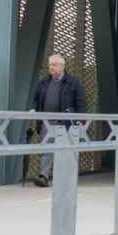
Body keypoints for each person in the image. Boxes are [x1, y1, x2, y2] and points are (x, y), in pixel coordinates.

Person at [30, 54, 87, 187]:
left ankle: (63, 177)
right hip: (46, 121)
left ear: (62, 66)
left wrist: (81, 119)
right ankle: (43, 176)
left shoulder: (73, 82)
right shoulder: (43, 82)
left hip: (65, 122)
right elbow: (36, 99)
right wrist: (33, 109)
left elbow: (81, 103)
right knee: (46, 149)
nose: (51, 67)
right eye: (50, 65)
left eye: (54, 65)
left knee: (64, 150)